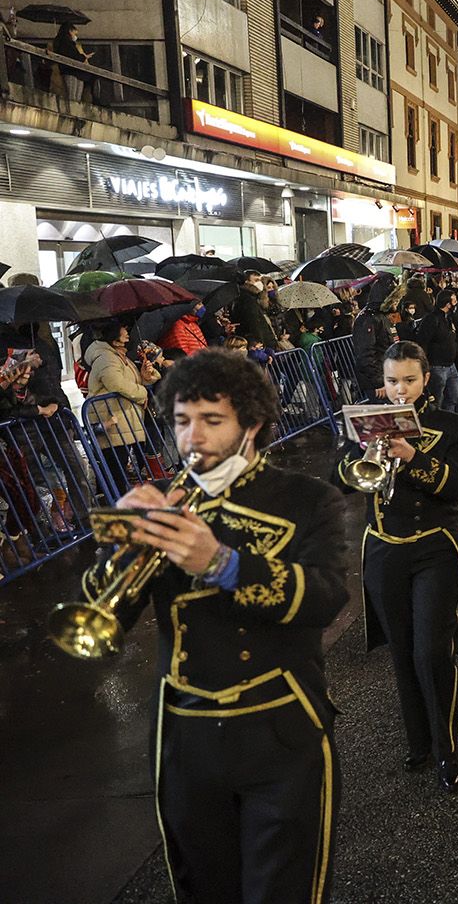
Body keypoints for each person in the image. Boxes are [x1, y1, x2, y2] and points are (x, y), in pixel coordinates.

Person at [109, 348, 350, 902]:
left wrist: (221, 563)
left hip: (280, 728)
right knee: (202, 888)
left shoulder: (309, 500)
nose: (193, 438)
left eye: (212, 421)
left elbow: (326, 597)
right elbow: (109, 624)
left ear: (252, 424)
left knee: (284, 889)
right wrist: (123, 547)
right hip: (185, 735)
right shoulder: (165, 502)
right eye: (181, 421)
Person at [333, 342, 458, 791]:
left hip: (436, 548)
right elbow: (338, 480)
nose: (400, 389)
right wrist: (363, 451)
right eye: (393, 381)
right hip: (383, 551)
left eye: (409, 380)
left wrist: (411, 457)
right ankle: (418, 742)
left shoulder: (450, 425)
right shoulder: (365, 420)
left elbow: (456, 488)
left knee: (432, 652)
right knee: (402, 652)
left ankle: (447, 749)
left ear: (426, 379)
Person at [83, 320, 161, 494]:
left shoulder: (119, 356)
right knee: (114, 471)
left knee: (120, 470)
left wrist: (145, 375)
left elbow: (132, 382)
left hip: (126, 422)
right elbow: (116, 384)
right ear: (114, 336)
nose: (127, 331)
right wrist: (143, 393)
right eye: (123, 329)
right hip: (114, 422)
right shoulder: (106, 358)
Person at [353, 275, 398, 400]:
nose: (396, 302)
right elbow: (366, 354)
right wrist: (379, 383)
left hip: (387, 377)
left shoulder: (381, 317)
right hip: (378, 384)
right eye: (393, 299)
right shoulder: (368, 319)